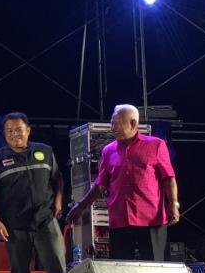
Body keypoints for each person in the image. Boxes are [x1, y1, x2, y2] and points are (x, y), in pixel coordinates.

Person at [67, 104, 179, 261]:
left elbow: (168, 177)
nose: (112, 128)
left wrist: (173, 203)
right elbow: (100, 185)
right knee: (120, 267)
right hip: (120, 219)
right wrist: (80, 206)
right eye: (112, 123)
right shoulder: (108, 151)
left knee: (153, 267)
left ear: (133, 123)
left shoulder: (156, 145)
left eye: (117, 123)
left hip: (151, 219)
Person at [0, 112, 66, 273]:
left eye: (18, 129)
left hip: (45, 219)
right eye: (9, 131)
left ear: (28, 130)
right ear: (4, 134)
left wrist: (58, 201)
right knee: (19, 270)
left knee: (56, 265)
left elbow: (58, 178)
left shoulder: (45, 151)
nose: (14, 134)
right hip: (14, 223)